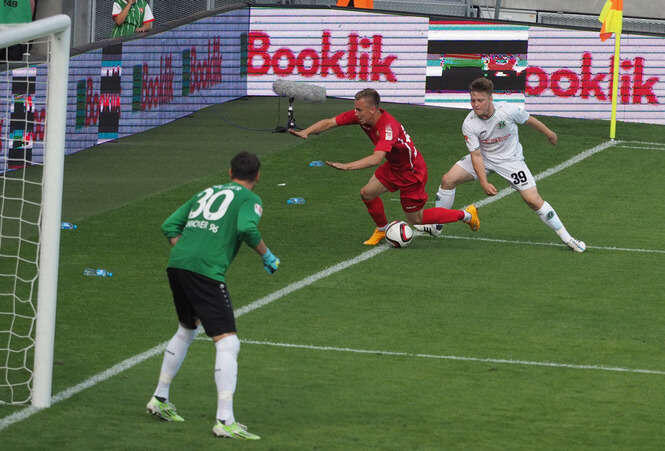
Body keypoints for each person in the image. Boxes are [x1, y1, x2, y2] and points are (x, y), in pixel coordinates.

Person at [146, 151, 279, 440]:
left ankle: (160, 397)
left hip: (177, 264)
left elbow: (169, 225)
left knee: (187, 328)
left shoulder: (205, 192)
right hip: (205, 272)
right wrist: (266, 254)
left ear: (230, 172)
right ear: (257, 176)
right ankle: (225, 420)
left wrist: (188, 251)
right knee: (228, 342)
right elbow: (246, 228)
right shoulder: (250, 199)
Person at [289, 88, 479, 245]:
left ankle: (466, 215)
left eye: (359, 110)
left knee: (416, 219)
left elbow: (376, 158)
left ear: (372, 109)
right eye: (355, 109)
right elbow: (331, 122)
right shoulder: (362, 116)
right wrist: (306, 132)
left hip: (411, 172)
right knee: (367, 193)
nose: (355, 113)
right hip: (394, 166)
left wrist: (347, 166)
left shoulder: (387, 128)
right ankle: (381, 229)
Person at [419, 77, 585, 252]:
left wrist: (549, 133)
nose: (475, 105)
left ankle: (568, 239)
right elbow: (476, 155)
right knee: (448, 180)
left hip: (511, 161)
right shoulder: (469, 123)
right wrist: (484, 182)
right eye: (473, 100)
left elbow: (529, 120)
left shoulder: (507, 110)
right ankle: (436, 226)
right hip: (485, 157)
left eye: (480, 100)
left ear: (490, 98)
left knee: (533, 200)